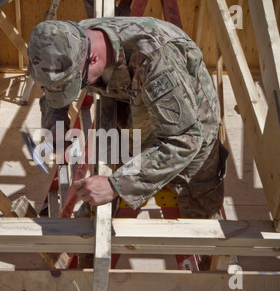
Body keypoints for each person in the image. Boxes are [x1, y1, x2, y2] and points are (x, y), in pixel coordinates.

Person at [27, 16, 228, 219]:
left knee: (199, 215)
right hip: (136, 116)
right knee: (100, 209)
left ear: (93, 57)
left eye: (75, 85)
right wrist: (55, 125)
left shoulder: (156, 59)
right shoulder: (70, 40)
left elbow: (185, 140)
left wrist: (117, 185)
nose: (75, 89)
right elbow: (52, 90)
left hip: (190, 129)